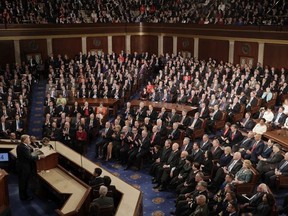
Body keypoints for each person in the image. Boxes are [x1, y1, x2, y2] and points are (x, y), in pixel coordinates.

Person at [16, 134, 45, 201]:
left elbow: (27, 152)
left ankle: (24, 196)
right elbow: (29, 157)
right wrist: (39, 157)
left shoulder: (21, 145)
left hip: (22, 167)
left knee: (23, 182)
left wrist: (34, 149)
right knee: (23, 183)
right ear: (25, 140)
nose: (29, 140)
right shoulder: (23, 147)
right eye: (28, 139)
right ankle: (24, 197)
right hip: (24, 168)